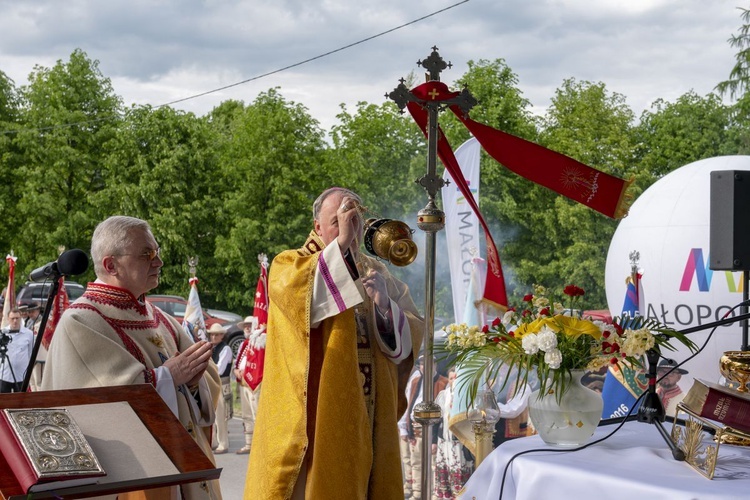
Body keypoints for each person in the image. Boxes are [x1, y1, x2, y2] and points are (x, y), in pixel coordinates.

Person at [244, 187, 423, 499]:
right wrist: (340, 248)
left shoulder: (376, 271)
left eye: (355, 220)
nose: (350, 230)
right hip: (317, 416)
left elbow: (411, 335)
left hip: (369, 411)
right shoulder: (291, 265)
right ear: (317, 227)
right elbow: (302, 304)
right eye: (338, 221)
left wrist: (384, 306)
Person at [40, 215, 222, 500]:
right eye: (147, 254)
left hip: (187, 470)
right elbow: (102, 403)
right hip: (135, 481)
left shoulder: (159, 316)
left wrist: (195, 382)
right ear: (112, 265)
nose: (158, 262)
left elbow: (204, 374)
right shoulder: (82, 321)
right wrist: (170, 377)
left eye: (157, 252)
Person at [233, 315, 264, 455]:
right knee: (246, 415)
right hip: (243, 382)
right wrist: (236, 370)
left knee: (257, 413)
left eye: (249, 325)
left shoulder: (260, 344)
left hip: (255, 383)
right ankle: (248, 443)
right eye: (245, 325)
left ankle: (259, 445)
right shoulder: (244, 344)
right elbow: (238, 360)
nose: (246, 327)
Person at [209, 323, 233, 454]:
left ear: (222, 335)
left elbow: (220, 369)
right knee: (213, 415)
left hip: (222, 385)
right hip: (214, 383)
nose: (214, 337)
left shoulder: (225, 349)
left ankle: (223, 443)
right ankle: (213, 441)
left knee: (221, 416)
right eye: (212, 334)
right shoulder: (212, 349)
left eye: (216, 334)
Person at [0, 309, 34, 393]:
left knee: (21, 402)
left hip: (21, 375)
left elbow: (31, 353)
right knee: (3, 401)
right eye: (12, 318)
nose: (15, 321)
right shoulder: (2, 333)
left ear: (21, 318)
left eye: (17, 318)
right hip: (5, 375)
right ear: (8, 319)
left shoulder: (29, 334)